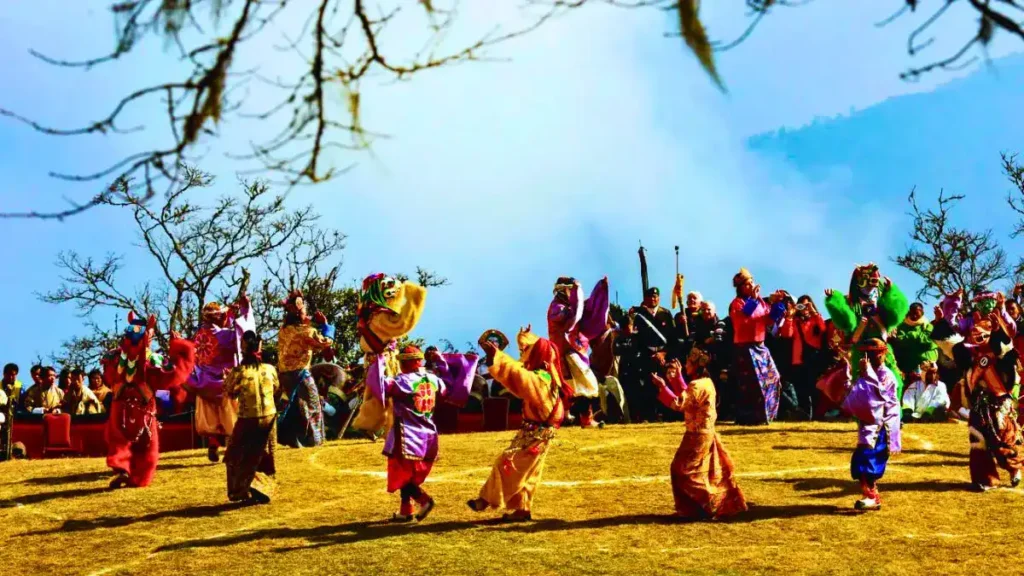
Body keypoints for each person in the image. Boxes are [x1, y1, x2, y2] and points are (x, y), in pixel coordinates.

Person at [467, 326, 571, 522]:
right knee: (529, 472)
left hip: (537, 433)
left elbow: (519, 377)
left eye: (527, 350)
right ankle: (522, 509)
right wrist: (523, 336)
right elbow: (521, 372)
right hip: (534, 431)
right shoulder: (546, 374)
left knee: (507, 462)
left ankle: (485, 500)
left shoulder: (542, 377)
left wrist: (496, 357)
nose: (523, 353)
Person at [368, 345, 478, 522]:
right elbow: (448, 385)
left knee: (401, 474)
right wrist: (439, 361)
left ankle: (424, 500)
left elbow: (380, 386)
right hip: (428, 434)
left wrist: (379, 360)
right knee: (408, 474)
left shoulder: (402, 381)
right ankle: (405, 511)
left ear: (405, 363)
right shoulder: (433, 379)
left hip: (407, 434)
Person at [102, 311, 196, 488]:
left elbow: (108, 378)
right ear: (149, 336)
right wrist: (178, 347)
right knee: (146, 445)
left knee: (119, 438)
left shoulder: (113, 357)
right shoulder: (153, 359)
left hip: (120, 405)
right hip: (143, 407)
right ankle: (138, 476)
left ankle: (123, 469)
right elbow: (172, 375)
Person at [651, 350, 747, 520]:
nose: (685, 365)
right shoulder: (706, 382)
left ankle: (710, 503)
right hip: (704, 432)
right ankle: (698, 508)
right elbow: (688, 397)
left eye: (688, 362)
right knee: (701, 471)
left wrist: (663, 386)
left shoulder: (698, 385)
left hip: (697, 435)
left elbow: (680, 403)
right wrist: (676, 378)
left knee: (683, 471)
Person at [949, 298, 1024, 491]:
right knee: (978, 442)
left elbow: (1006, 353)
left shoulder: (1002, 356)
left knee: (1002, 438)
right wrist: (943, 321)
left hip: (999, 404)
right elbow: (952, 346)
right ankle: (986, 479)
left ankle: (1014, 468)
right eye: (975, 334)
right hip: (978, 405)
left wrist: (999, 330)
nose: (977, 338)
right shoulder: (968, 358)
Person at [351, 273, 427, 439]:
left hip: (378, 359)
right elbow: (402, 324)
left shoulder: (370, 313)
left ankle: (370, 425)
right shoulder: (381, 316)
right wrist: (415, 297)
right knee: (389, 394)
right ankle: (389, 430)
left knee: (377, 394)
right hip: (383, 361)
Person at [824, 263, 910, 401]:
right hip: (861, 348)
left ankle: (892, 415)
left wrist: (891, 291)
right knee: (861, 384)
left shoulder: (882, 299)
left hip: (882, 348)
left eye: (874, 279)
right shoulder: (851, 302)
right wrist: (834, 300)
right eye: (867, 278)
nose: (871, 282)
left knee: (893, 380)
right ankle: (865, 416)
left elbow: (894, 316)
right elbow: (846, 324)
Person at [188, 295, 255, 462]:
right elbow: (243, 336)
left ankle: (213, 443)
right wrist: (245, 310)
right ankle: (232, 449)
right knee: (230, 416)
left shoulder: (197, 336)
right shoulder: (224, 336)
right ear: (217, 317)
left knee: (212, 418)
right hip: (223, 381)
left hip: (204, 383)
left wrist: (229, 315)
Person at [842, 338, 901, 511]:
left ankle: (872, 497)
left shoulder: (886, 375)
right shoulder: (866, 372)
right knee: (860, 461)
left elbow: (878, 396)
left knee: (870, 460)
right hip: (869, 424)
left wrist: (866, 374)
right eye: (866, 354)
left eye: (873, 354)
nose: (868, 357)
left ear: (883, 354)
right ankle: (870, 495)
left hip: (882, 425)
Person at [223, 331, 279, 504]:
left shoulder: (238, 372)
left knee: (235, 455)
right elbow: (276, 388)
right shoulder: (270, 369)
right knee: (264, 454)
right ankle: (265, 489)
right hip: (269, 416)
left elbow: (230, 392)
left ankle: (239, 491)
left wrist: (228, 378)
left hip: (248, 417)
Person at [546, 276, 609, 428]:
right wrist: (579, 303)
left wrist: (600, 291)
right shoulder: (556, 308)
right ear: (563, 290)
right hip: (565, 352)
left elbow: (584, 308)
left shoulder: (568, 306)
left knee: (579, 387)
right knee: (584, 384)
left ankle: (583, 418)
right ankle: (576, 418)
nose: (571, 293)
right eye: (570, 289)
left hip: (575, 351)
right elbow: (572, 314)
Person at [276, 289, 335, 448]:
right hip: (301, 375)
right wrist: (325, 325)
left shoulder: (284, 330)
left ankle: (296, 440)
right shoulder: (307, 332)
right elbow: (325, 342)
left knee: (297, 408)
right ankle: (314, 441)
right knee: (313, 407)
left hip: (285, 376)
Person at [728, 268, 785, 425]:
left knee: (773, 378)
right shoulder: (737, 303)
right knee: (752, 384)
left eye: (752, 282)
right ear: (740, 287)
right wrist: (753, 299)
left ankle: (769, 413)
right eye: (747, 284)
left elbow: (768, 320)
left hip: (761, 346)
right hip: (745, 348)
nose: (751, 285)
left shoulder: (760, 302)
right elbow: (743, 317)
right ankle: (750, 417)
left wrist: (777, 304)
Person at [630, 287, 676, 422]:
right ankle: (650, 416)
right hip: (647, 355)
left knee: (666, 385)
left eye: (655, 296)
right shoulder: (640, 316)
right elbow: (636, 339)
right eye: (650, 297)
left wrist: (663, 353)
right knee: (648, 387)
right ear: (645, 299)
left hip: (663, 356)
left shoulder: (666, 314)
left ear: (659, 298)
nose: (653, 299)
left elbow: (673, 338)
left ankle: (668, 415)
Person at [890, 302, 938, 385]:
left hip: (927, 367)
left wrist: (911, 336)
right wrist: (920, 341)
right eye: (912, 313)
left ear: (922, 312)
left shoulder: (929, 326)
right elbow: (901, 343)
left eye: (917, 313)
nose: (914, 316)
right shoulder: (902, 326)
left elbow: (930, 343)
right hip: (908, 368)